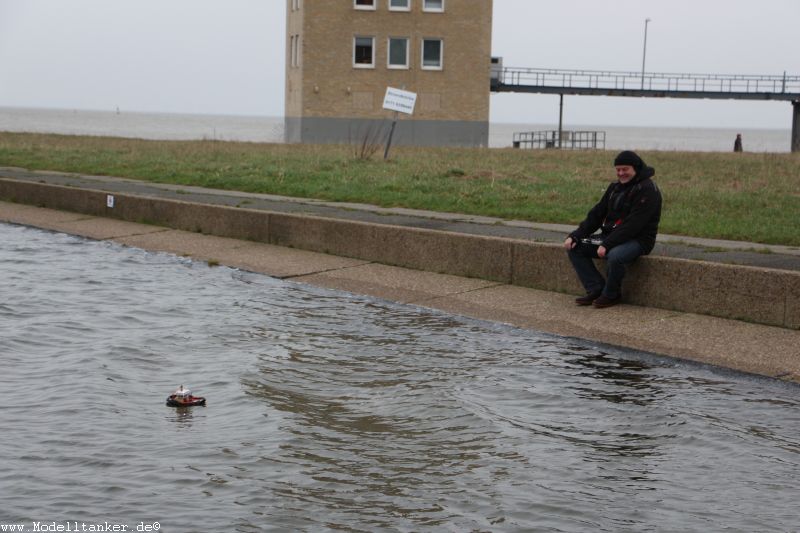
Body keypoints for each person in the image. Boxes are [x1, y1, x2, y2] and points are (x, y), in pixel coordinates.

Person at [563, 150, 662, 308]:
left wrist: (608, 244)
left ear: (635, 168)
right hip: (610, 237)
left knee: (615, 256)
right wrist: (575, 235)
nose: (621, 173)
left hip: (638, 240)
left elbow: (633, 224)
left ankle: (611, 294)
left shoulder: (648, 190)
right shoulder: (615, 188)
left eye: (625, 169)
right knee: (575, 247)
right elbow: (596, 214)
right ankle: (596, 288)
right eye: (618, 170)